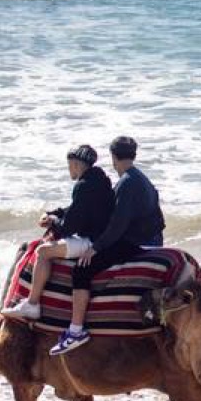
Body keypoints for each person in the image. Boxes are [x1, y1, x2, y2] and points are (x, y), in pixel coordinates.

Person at [55, 136, 164, 356]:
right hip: (153, 239)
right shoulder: (140, 178)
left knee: (82, 269)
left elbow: (118, 225)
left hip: (137, 243)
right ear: (133, 155)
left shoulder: (126, 183)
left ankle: (75, 330)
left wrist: (95, 248)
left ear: (113, 157)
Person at [4, 144, 115, 323]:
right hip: (101, 237)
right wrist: (55, 213)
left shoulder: (83, 185)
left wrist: (53, 223)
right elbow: (76, 209)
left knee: (43, 252)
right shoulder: (100, 180)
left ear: (76, 164)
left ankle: (32, 304)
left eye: (69, 165)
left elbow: (70, 227)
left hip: (92, 241)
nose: (69, 169)